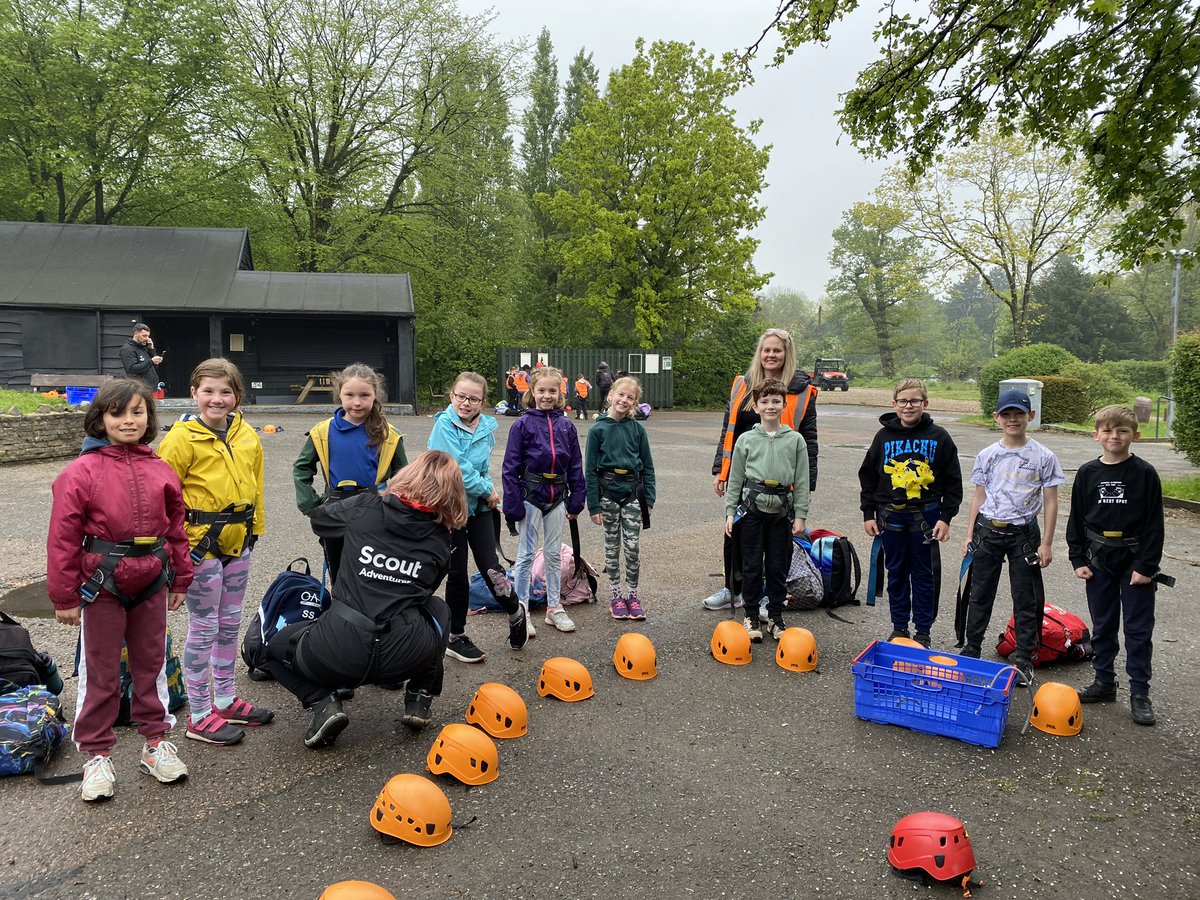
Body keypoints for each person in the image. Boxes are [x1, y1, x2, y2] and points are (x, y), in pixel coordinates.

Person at [47, 378, 194, 801]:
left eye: (137, 412)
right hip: (102, 585)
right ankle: (96, 754)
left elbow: (176, 530)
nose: (128, 421)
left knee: (152, 666)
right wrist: (65, 596)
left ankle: (155, 744)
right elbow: (62, 538)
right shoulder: (80, 473)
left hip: (151, 580)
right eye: (117, 413)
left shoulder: (161, 469)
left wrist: (181, 578)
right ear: (100, 419)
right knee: (101, 672)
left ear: (149, 417)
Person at [265, 452, 466, 747]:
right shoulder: (440, 541)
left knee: (273, 648)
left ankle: (323, 703)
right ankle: (420, 697)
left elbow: (319, 521)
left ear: (406, 476)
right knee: (438, 609)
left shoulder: (364, 507)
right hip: (404, 657)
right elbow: (425, 592)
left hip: (336, 652)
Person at [157, 358, 272, 747]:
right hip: (199, 547)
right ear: (193, 393)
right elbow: (164, 496)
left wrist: (255, 530)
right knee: (204, 627)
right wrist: (177, 546)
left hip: (238, 543)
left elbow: (255, 486)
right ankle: (200, 711)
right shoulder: (180, 439)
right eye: (208, 390)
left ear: (238, 396)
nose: (217, 399)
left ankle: (224, 697)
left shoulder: (247, 435)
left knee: (229, 623)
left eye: (225, 391)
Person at [706, 328, 819, 616]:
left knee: (776, 543)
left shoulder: (801, 390)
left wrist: (806, 484)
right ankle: (735, 589)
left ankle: (770, 597)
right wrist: (721, 469)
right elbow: (727, 429)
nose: (771, 355)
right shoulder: (743, 385)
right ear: (760, 353)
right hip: (742, 470)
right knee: (735, 535)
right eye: (766, 350)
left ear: (786, 354)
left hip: (778, 477)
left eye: (777, 350)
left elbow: (809, 438)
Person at [1065, 405, 1166, 726]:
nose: (1114, 436)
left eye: (1122, 431)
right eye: (1107, 430)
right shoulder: (1087, 473)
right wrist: (1077, 558)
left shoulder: (1145, 473)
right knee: (1103, 625)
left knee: (1138, 631)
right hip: (1098, 562)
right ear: (1096, 435)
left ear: (1135, 436)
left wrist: (1147, 566)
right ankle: (1104, 682)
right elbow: (1077, 519)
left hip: (1135, 564)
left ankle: (1140, 692)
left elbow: (1154, 524)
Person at [959, 390, 1064, 685]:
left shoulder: (1043, 456)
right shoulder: (987, 455)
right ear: (997, 418)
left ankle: (1023, 659)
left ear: (1030, 416)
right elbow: (978, 496)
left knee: (1025, 598)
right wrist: (969, 534)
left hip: (1024, 536)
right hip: (988, 532)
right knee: (979, 593)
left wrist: (1046, 543)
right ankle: (971, 648)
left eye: (1019, 414)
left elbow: (1051, 501)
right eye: (1006, 414)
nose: (1013, 419)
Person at [427, 372, 529, 664]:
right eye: (461, 396)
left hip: (481, 510)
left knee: (492, 568)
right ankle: (455, 636)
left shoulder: (486, 426)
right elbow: (455, 468)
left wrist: (486, 491)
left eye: (473, 398)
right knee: (456, 573)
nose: (466, 403)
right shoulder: (443, 426)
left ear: (483, 402)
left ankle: (514, 610)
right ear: (451, 396)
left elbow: (482, 467)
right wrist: (488, 490)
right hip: (450, 509)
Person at [859, 378, 962, 648]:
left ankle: (924, 631)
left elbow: (953, 482)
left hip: (926, 517)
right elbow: (868, 477)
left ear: (925, 404)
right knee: (896, 573)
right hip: (890, 517)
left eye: (915, 401)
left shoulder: (939, 437)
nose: (908, 406)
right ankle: (899, 628)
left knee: (923, 575)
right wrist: (868, 513)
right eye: (903, 401)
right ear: (894, 404)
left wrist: (945, 518)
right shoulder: (883, 437)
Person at [292, 363, 407, 586]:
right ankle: (339, 615)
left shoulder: (389, 435)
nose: (357, 402)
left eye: (364, 395)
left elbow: (405, 476)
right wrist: (310, 504)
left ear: (375, 396)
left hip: (374, 511)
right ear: (339, 395)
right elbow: (301, 467)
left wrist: (397, 506)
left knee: (372, 571)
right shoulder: (322, 432)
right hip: (334, 510)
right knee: (338, 571)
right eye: (350, 395)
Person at [724, 379, 809, 642]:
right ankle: (750, 615)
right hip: (751, 511)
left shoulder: (795, 440)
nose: (770, 406)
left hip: (781, 514)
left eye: (776, 401)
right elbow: (736, 478)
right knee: (750, 566)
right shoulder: (746, 439)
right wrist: (730, 512)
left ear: (784, 405)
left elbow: (802, 480)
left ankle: (775, 616)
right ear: (756, 405)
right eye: (765, 401)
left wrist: (801, 515)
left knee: (777, 567)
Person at [504, 366, 587, 633]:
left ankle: (554, 608)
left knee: (553, 554)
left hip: (557, 498)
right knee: (526, 555)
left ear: (560, 393)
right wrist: (512, 503)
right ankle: (522, 611)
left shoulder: (567, 425)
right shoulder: (522, 424)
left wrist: (577, 498)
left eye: (552, 391)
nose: (547, 395)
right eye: (541, 390)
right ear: (532, 392)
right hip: (530, 495)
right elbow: (510, 466)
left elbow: (576, 464)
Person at [586, 376, 656, 620]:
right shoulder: (597, 430)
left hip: (632, 493)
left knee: (633, 547)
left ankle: (633, 595)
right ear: (610, 395)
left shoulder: (638, 430)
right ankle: (616, 595)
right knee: (612, 547)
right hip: (607, 495)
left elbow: (648, 466)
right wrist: (593, 504)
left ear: (635, 402)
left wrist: (649, 498)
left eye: (630, 397)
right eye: (621, 395)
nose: (624, 400)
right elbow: (590, 471)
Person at [119, 323, 162, 392]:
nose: (147, 339)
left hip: (150, 388)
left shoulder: (143, 347)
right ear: (135, 334)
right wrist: (151, 361)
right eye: (144, 336)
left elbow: (154, 366)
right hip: (138, 389)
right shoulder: (128, 349)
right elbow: (131, 369)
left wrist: (152, 350)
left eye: (148, 336)